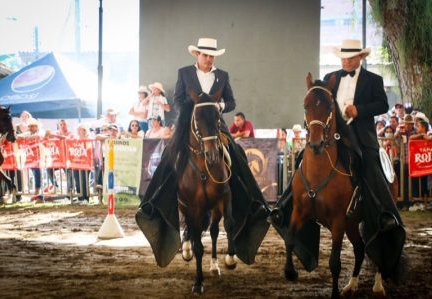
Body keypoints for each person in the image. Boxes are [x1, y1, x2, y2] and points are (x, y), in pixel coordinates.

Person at [272, 39, 405, 279]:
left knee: (371, 167)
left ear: (360, 59)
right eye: (344, 57)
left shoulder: (373, 80)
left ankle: (384, 213)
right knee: (305, 160)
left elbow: (383, 104)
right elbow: (317, 103)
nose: (346, 61)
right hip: (333, 133)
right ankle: (285, 205)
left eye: (351, 58)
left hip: (361, 137)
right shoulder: (331, 77)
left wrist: (359, 110)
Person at [137, 37, 269, 265]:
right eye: (205, 55)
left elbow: (232, 102)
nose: (209, 59)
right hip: (188, 124)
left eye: (212, 56)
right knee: (171, 156)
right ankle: (153, 202)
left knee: (235, 154)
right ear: (197, 55)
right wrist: (193, 109)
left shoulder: (222, 76)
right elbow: (178, 100)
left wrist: (219, 106)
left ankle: (253, 201)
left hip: (215, 125)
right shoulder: (184, 73)